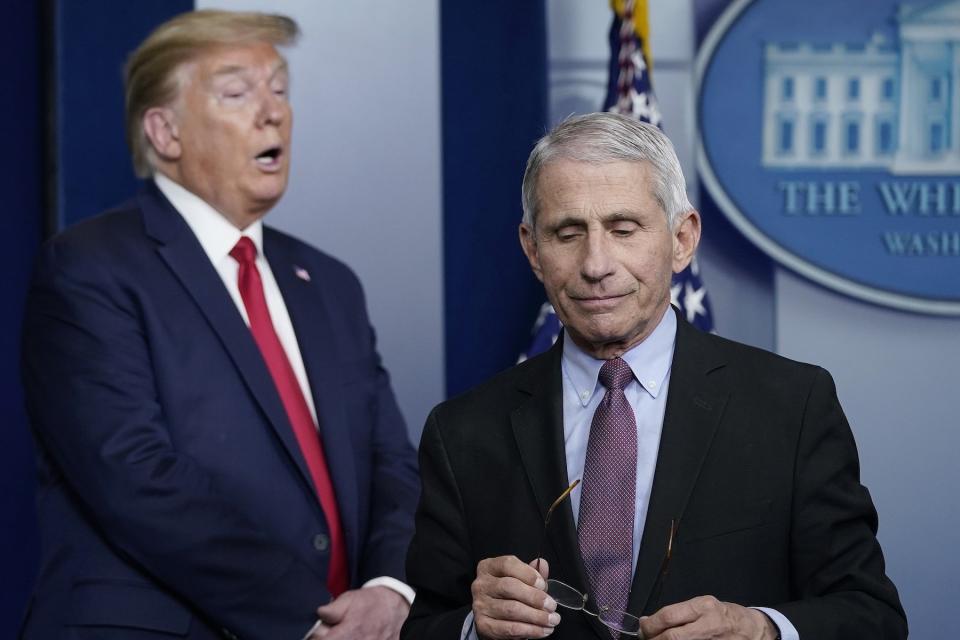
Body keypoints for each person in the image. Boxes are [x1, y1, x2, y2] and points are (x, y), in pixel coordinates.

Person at [401, 113, 906, 640]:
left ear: (682, 238)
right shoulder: (462, 431)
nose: (596, 263)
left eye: (623, 229)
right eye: (567, 233)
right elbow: (423, 627)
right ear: (532, 249)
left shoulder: (792, 406)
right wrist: (473, 628)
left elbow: (873, 617)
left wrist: (762, 629)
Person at [20, 10, 418, 640]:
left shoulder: (331, 284)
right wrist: (311, 620)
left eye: (280, 89)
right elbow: (134, 475)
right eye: (238, 92)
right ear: (165, 131)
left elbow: (391, 464)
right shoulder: (90, 266)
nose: (273, 113)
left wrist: (388, 590)